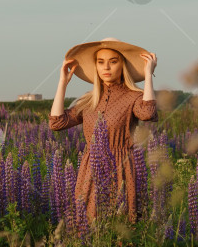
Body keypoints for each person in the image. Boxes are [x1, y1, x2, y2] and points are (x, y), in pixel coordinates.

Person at [49, 37, 158, 224]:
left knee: (120, 227)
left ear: (122, 65)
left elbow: (147, 112)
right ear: (96, 67)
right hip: (90, 169)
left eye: (113, 62)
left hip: (121, 167)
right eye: (100, 62)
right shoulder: (88, 100)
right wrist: (62, 83)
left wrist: (148, 75)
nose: (106, 68)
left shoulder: (133, 96)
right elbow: (57, 123)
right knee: (88, 225)